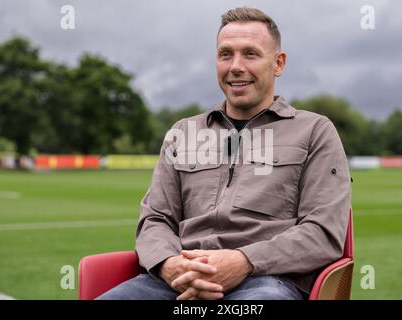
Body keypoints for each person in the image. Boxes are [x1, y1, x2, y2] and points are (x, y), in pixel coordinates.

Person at [98, 7, 351, 300]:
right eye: (225, 54)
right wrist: (169, 265)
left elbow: (323, 233)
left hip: (266, 283)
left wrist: (244, 261)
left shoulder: (315, 130)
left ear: (278, 63)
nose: (236, 66)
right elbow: (155, 219)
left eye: (251, 54)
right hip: (176, 283)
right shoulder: (183, 131)